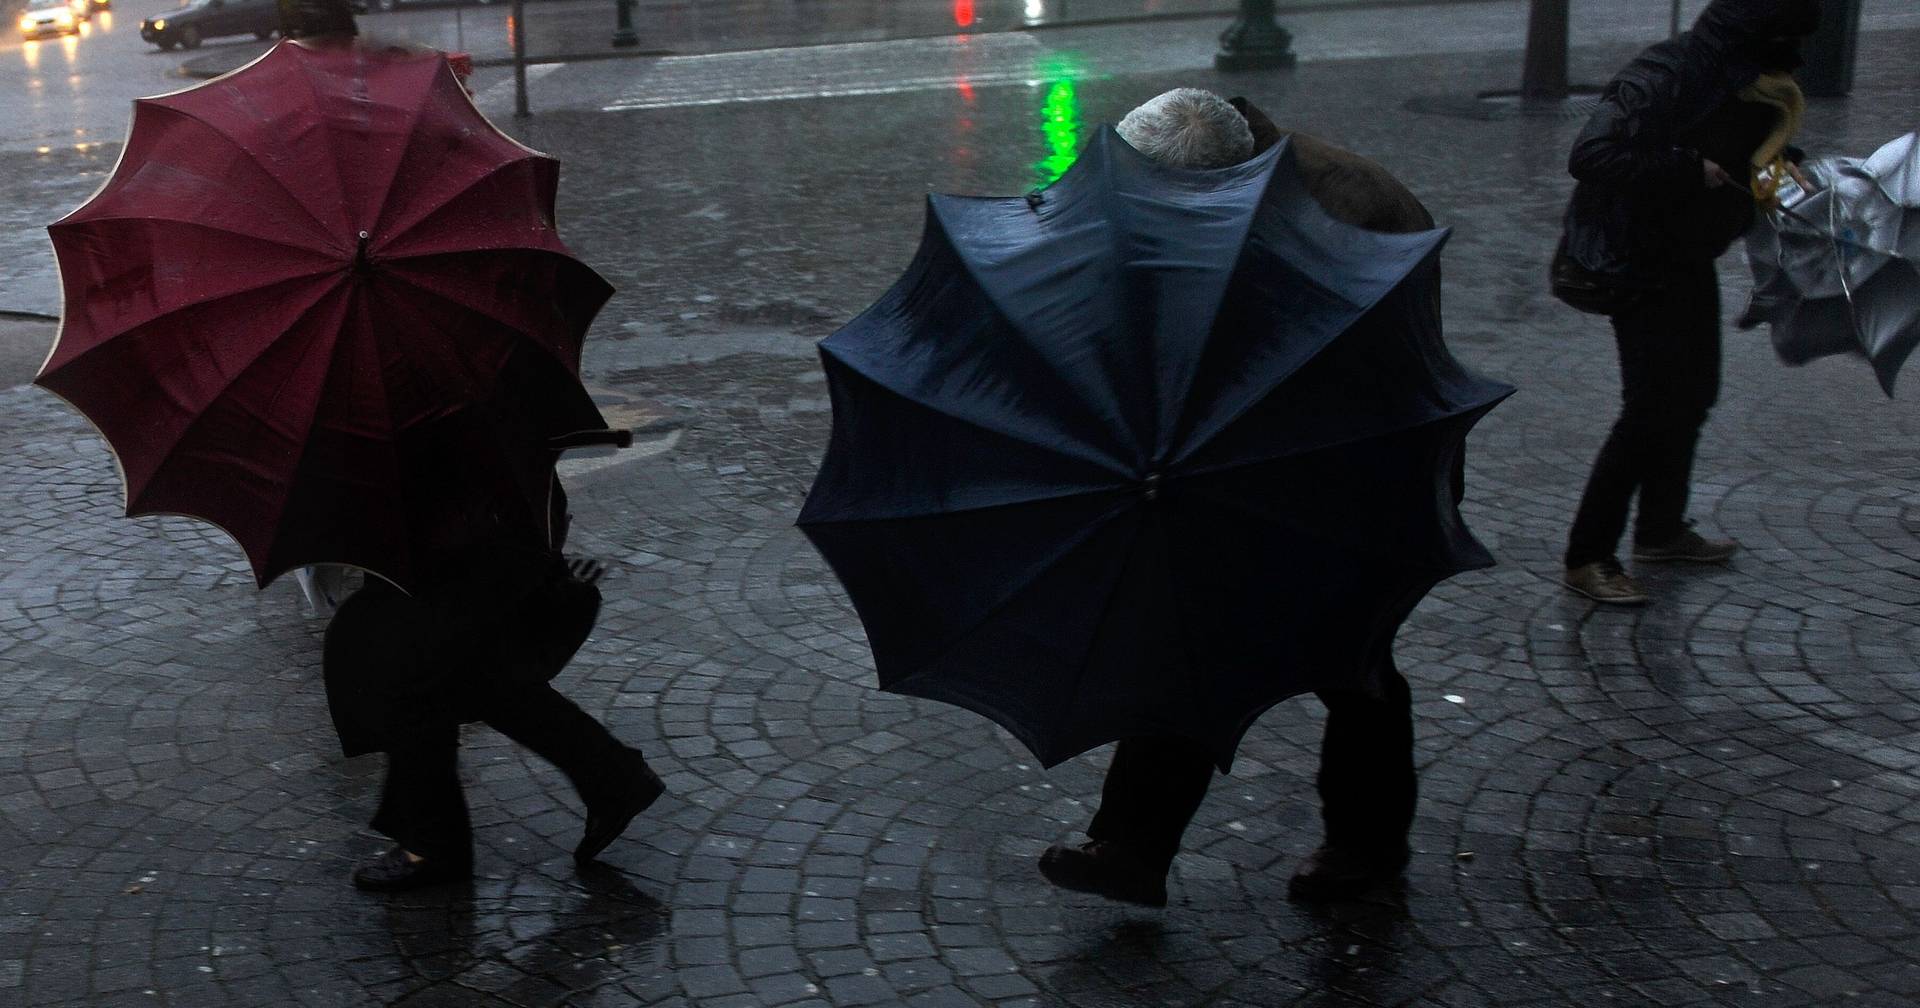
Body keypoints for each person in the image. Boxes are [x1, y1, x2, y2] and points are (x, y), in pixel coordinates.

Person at [1037, 88, 1440, 906]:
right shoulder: (1199, 167)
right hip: (1229, 456)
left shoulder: (1345, 210)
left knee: (1353, 658)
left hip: (1356, 461)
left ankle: (1366, 848)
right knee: (1187, 636)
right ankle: (1133, 846)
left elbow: (1352, 368)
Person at [1559, 0, 1821, 605]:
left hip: (1687, 254)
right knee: (1650, 408)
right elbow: (1591, 154)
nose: (1791, 57)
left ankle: (1660, 530)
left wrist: (1785, 171)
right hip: (1634, 257)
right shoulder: (1667, 73)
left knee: (1694, 395)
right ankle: (1587, 556)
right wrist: (1686, 167)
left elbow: (1743, 152)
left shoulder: (1753, 84)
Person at [324, 440, 663, 892]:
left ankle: (434, 843)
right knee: (467, 669)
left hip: (462, 529)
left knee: (422, 666)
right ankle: (611, 777)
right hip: (478, 522)